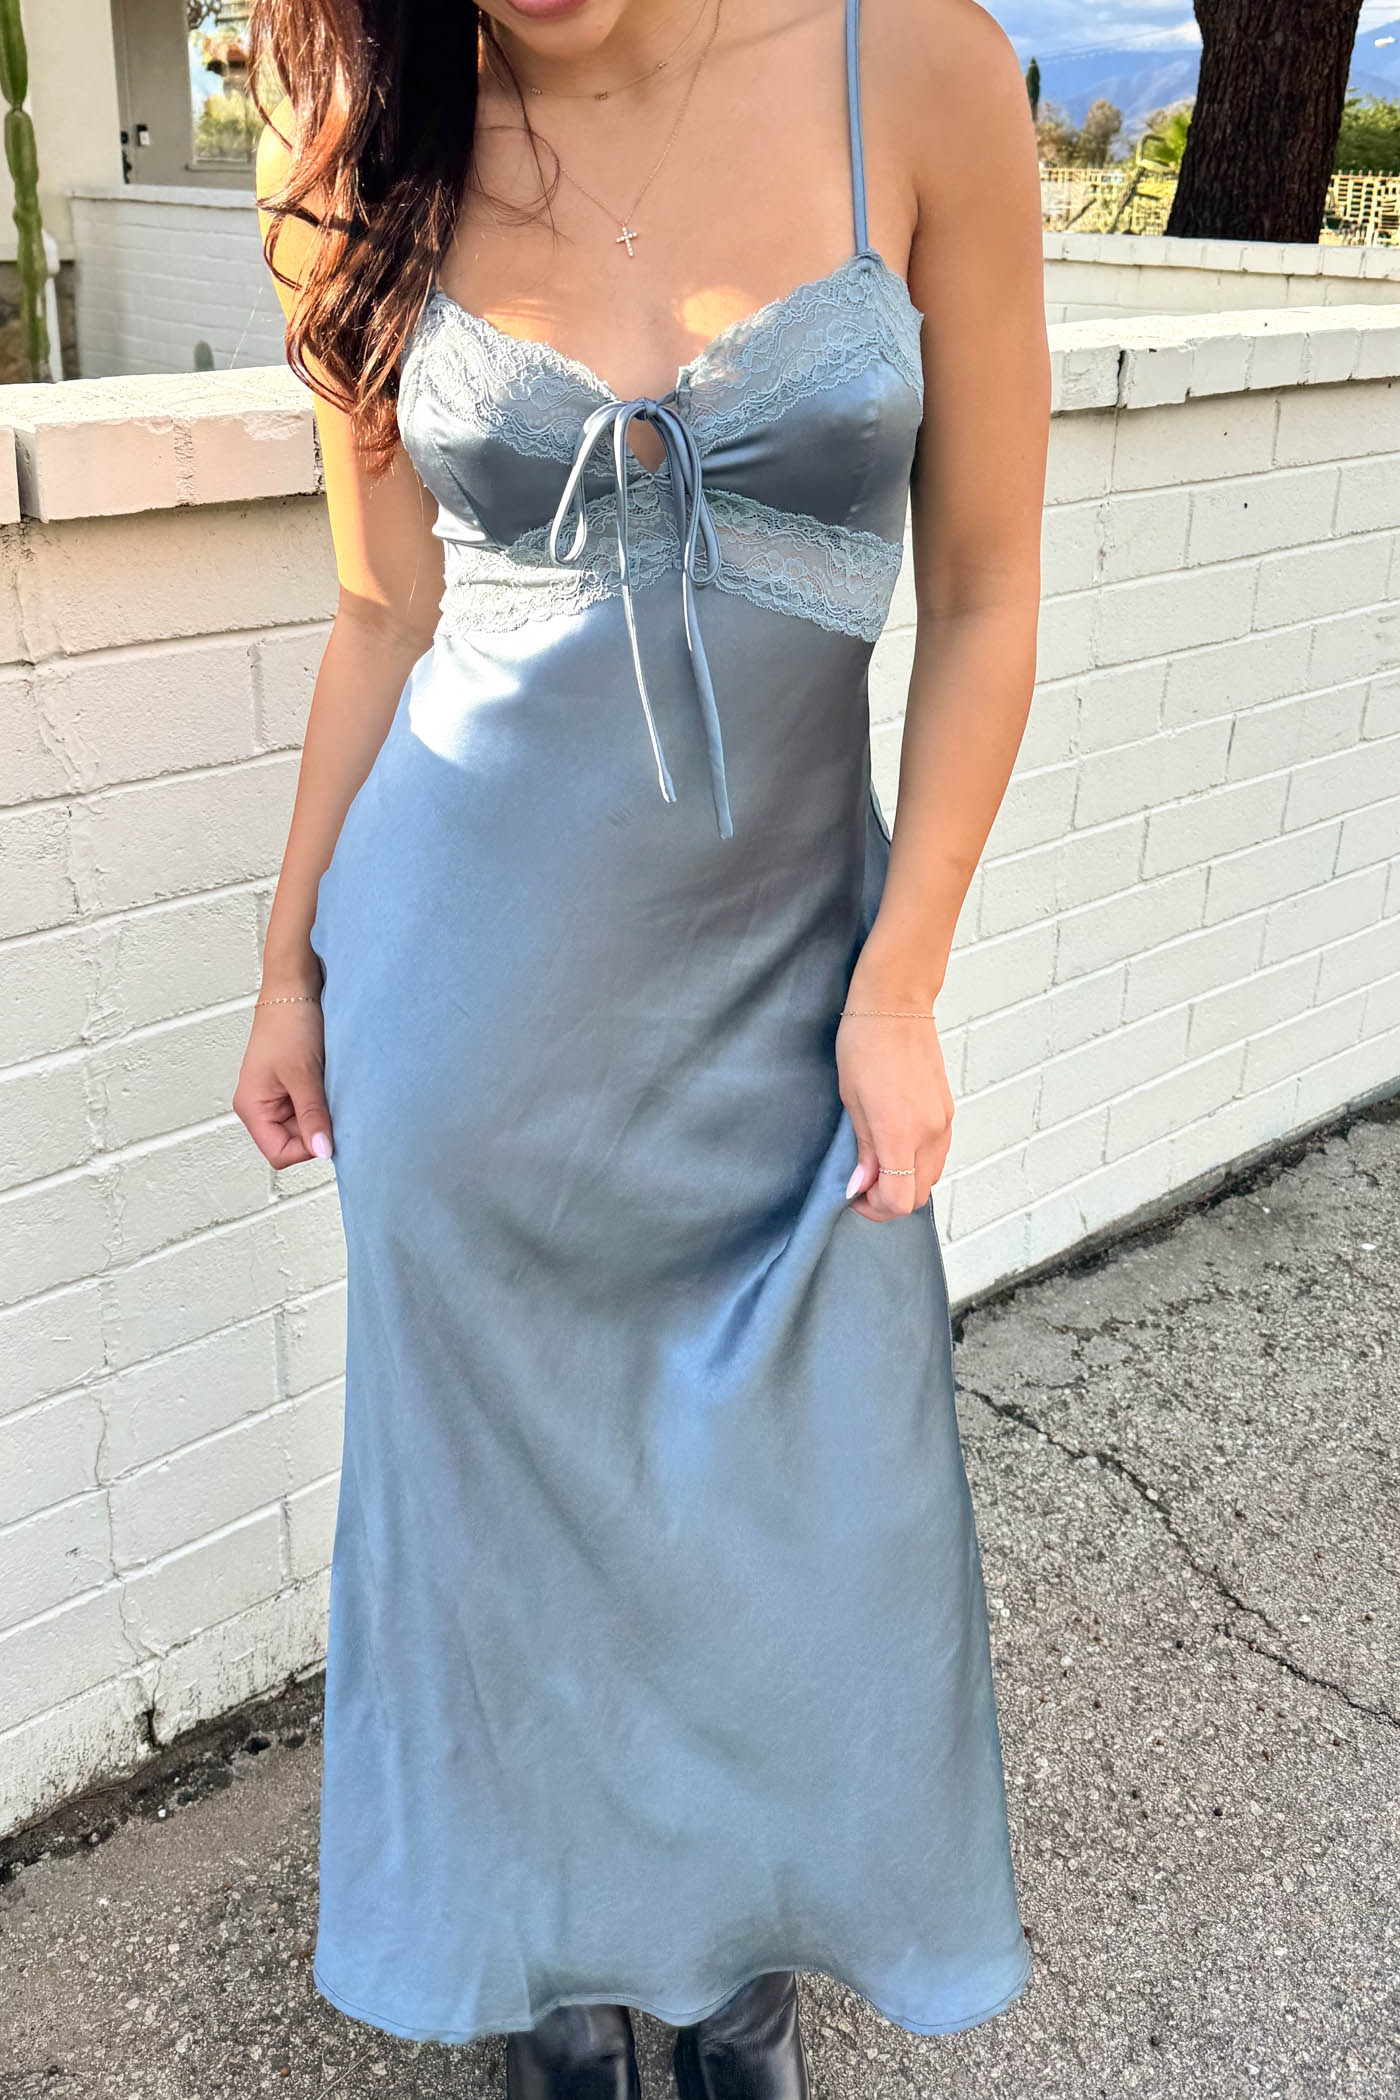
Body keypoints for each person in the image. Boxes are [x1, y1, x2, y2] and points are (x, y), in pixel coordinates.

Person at [235, 0, 1049, 2091]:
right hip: (463, 1004)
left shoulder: (918, 69)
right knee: (508, 1537)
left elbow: (984, 591)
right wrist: (289, 966)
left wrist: (899, 983)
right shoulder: (357, 131)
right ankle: (550, 1991)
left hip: (792, 994)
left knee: (784, 1529)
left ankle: (727, 1974)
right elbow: (382, 611)